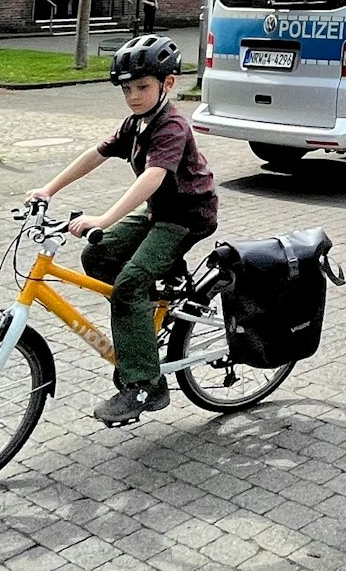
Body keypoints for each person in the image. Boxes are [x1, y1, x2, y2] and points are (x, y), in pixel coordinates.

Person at [28, 35, 214, 424]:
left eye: (142, 87)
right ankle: (148, 310)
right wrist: (48, 188)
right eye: (127, 89)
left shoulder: (171, 126)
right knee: (97, 254)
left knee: (128, 285)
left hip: (185, 217)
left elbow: (153, 177)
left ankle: (147, 385)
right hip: (157, 212)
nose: (133, 96)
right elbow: (95, 154)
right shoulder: (137, 122)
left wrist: (103, 218)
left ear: (168, 84)